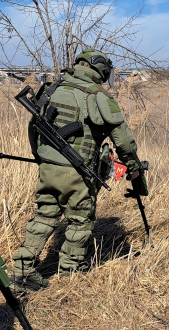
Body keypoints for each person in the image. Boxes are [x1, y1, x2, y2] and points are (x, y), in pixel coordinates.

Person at [11, 49, 148, 292]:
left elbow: (34, 128)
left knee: (44, 215)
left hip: (48, 166)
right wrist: (134, 168)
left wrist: (41, 156)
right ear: (101, 69)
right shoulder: (98, 96)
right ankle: (71, 274)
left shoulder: (51, 89)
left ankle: (22, 272)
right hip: (76, 170)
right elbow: (124, 143)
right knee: (79, 220)